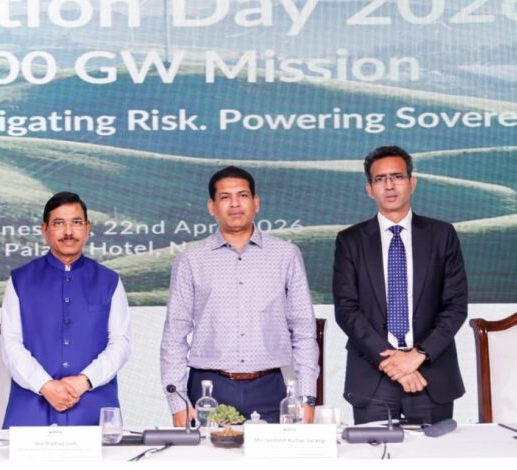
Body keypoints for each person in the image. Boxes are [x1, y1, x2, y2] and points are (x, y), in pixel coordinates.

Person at [161, 166, 318, 425]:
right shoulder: (191, 258)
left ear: (256, 203)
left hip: (271, 388)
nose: (235, 204)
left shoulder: (285, 254)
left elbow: (303, 330)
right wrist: (177, 402)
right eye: (225, 197)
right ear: (211, 206)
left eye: (243, 195)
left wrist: (307, 397)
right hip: (208, 389)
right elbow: (174, 336)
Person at [333, 145, 467, 424]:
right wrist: (393, 363)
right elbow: (346, 309)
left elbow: (455, 305)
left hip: (430, 375)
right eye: (380, 179)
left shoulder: (442, 234)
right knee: (374, 452)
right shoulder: (350, 240)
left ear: (412, 183)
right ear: (369, 189)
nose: (389, 185)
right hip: (373, 377)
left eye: (397, 176)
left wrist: (417, 356)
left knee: (437, 451)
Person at [1, 192, 132, 427]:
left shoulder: (109, 281)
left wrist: (84, 381)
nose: (69, 231)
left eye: (76, 222)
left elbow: (121, 343)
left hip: (93, 403)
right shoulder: (20, 280)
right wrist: (45, 385)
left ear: (88, 228)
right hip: (32, 405)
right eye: (59, 223)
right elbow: (11, 344)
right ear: (45, 229)